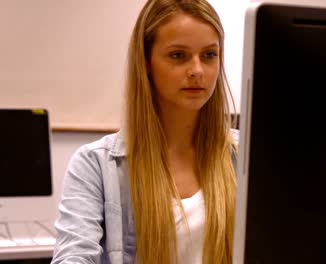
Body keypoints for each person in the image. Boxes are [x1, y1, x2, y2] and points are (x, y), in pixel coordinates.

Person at [51, 0, 238, 263]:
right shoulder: (96, 165)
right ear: (147, 62)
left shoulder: (245, 158)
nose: (197, 70)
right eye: (178, 55)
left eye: (209, 55)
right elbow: (74, 255)